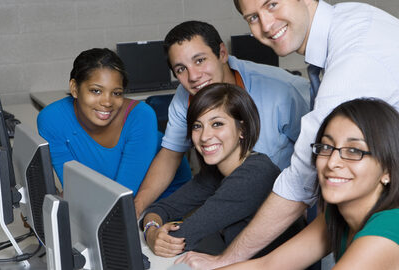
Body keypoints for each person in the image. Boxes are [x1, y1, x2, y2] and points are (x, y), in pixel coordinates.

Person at [177, 0, 399, 269]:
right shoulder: (342, 28)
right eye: (253, 17)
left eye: (272, 4)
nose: (265, 25)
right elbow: (270, 265)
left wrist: (227, 259)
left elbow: (300, 180)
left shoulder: (355, 55)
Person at [220, 98, 399, 269]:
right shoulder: (337, 215)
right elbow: (268, 265)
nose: (333, 162)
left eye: (354, 151)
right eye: (326, 147)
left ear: (387, 170)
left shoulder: (392, 229)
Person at [134, 20, 311, 217]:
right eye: (181, 69)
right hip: (231, 199)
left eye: (200, 60)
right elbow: (170, 155)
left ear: (222, 53)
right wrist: (136, 209)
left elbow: (313, 155)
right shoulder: (182, 98)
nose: (193, 76)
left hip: (285, 203)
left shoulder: (280, 91)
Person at [141, 83, 280, 258]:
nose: (205, 136)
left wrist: (155, 234)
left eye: (217, 124)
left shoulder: (254, 174)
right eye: (197, 126)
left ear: (242, 130)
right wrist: (151, 230)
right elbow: (161, 208)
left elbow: (180, 237)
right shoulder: (215, 172)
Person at [37, 48, 191, 197]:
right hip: (109, 202)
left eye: (116, 93)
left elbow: (123, 195)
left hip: (165, 198)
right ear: (74, 88)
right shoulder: (52, 119)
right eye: (96, 91)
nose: (107, 102)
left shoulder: (141, 116)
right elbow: (75, 189)